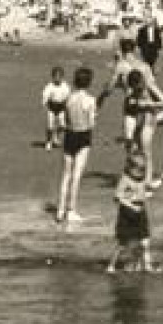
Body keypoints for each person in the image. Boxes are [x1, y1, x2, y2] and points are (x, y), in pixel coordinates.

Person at [107, 149, 161, 274]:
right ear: (129, 167)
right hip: (127, 214)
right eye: (138, 170)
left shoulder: (141, 178)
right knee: (122, 243)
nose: (140, 173)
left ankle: (146, 265)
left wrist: (159, 182)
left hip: (141, 213)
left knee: (145, 241)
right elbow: (118, 197)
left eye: (143, 170)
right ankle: (111, 265)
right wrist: (131, 205)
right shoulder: (125, 179)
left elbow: (147, 188)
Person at [56, 67, 99, 225]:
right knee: (76, 175)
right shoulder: (90, 100)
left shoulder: (69, 98)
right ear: (89, 82)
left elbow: (62, 120)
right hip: (83, 136)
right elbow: (92, 124)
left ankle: (60, 210)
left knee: (65, 175)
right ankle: (71, 210)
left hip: (69, 135)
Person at [40, 67, 71, 151]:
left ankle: (56, 135)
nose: (57, 78)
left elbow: (68, 99)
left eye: (59, 76)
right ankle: (48, 142)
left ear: (62, 77)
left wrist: (68, 109)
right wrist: (44, 105)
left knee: (63, 126)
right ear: (52, 77)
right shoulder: (49, 87)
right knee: (50, 126)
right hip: (51, 108)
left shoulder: (66, 87)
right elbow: (45, 97)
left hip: (61, 108)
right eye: (55, 76)